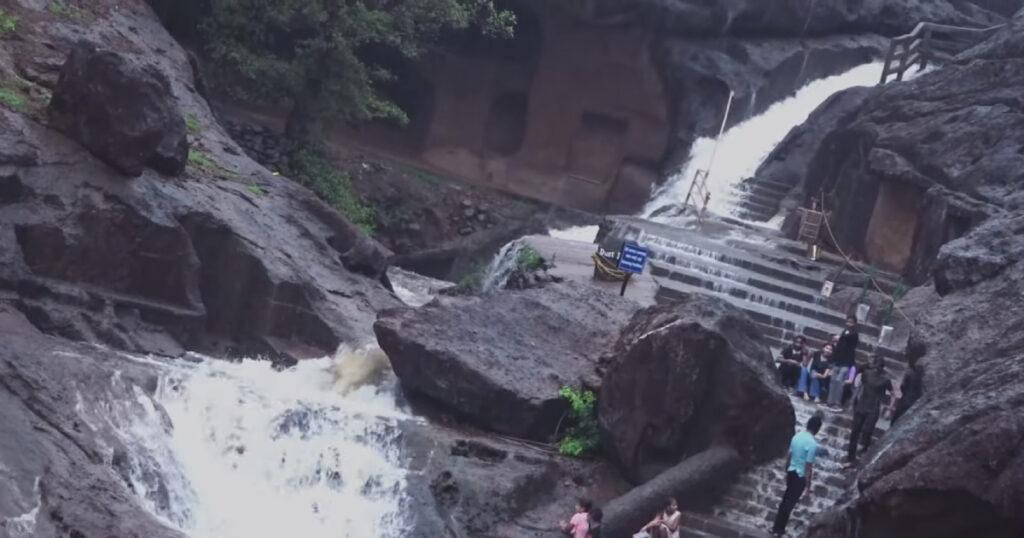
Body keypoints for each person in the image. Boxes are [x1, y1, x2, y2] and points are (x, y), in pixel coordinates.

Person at [771, 415, 822, 537]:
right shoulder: (812, 444)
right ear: (818, 429)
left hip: (791, 471)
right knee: (789, 504)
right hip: (800, 476)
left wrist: (786, 469)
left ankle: (776, 528)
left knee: (785, 501)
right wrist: (808, 488)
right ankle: (779, 531)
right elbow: (808, 466)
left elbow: (789, 455)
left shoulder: (797, 436)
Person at [843, 357, 899, 467]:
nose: (875, 369)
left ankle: (864, 450)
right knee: (855, 432)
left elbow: (893, 394)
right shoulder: (867, 374)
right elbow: (859, 386)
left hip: (873, 408)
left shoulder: (885, 380)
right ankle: (851, 458)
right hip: (862, 406)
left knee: (867, 431)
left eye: (877, 366)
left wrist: (889, 409)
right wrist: (852, 401)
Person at [827, 315, 860, 411]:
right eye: (848, 322)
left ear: (855, 323)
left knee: (839, 382)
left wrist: (840, 337)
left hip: (847, 362)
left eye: (851, 322)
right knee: (833, 382)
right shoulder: (844, 331)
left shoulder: (854, 334)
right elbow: (838, 346)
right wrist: (833, 359)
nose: (849, 324)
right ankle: (829, 402)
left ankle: (837, 404)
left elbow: (848, 338)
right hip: (838, 361)